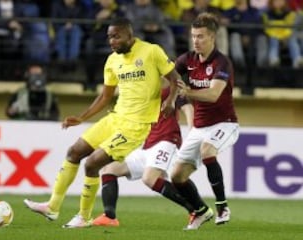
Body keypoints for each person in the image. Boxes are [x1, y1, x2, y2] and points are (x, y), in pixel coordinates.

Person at [23, 17, 181, 228]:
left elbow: (175, 79)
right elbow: (105, 97)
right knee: (74, 152)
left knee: (92, 163)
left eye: (116, 36)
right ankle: (52, 206)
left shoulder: (151, 51)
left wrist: (170, 100)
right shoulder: (112, 61)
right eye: (109, 37)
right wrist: (82, 117)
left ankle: (83, 216)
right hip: (115, 118)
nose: (112, 41)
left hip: (136, 126)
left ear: (129, 35)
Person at [91, 81, 195, 227]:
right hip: (148, 144)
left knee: (150, 178)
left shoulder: (169, 87)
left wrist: (192, 131)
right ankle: (109, 217)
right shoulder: (142, 90)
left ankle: (194, 209)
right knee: (110, 170)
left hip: (167, 139)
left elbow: (188, 107)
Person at [172, 12, 240, 230]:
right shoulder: (187, 60)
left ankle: (222, 206)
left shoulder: (222, 63)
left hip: (225, 123)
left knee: (208, 150)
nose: (196, 41)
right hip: (199, 127)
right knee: (177, 176)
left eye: (201, 36)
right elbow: (169, 75)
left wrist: (187, 91)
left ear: (212, 37)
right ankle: (200, 211)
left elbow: (213, 95)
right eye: (193, 36)